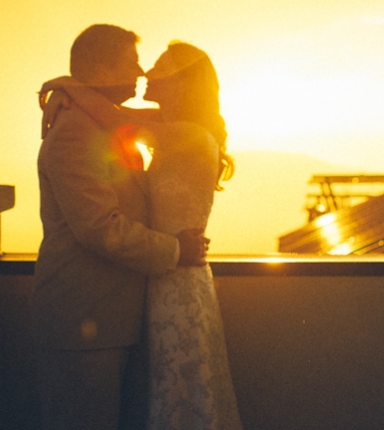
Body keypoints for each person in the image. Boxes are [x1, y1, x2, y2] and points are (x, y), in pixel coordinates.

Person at [40, 41, 243, 430]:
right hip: (159, 276)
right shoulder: (168, 124)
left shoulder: (189, 134)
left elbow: (114, 119)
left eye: (157, 67)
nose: (145, 72)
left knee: (179, 396)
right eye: (140, 63)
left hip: (178, 280)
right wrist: (64, 91)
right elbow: (115, 114)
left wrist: (61, 86)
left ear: (181, 83)